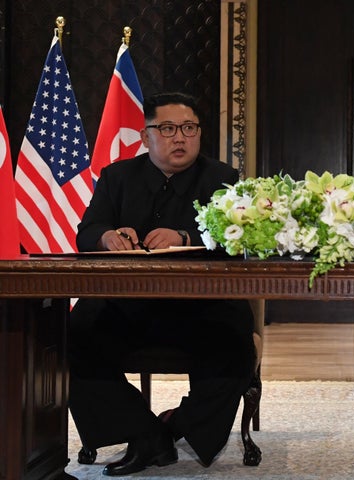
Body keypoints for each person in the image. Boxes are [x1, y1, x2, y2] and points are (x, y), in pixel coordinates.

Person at [68, 92, 257, 475]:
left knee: (235, 343)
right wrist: (107, 238)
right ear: (145, 136)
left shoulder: (222, 179)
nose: (179, 138)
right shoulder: (117, 176)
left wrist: (186, 238)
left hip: (202, 307)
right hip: (128, 306)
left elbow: (241, 241)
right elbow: (87, 231)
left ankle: (174, 426)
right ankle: (143, 431)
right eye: (167, 129)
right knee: (74, 332)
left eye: (189, 128)